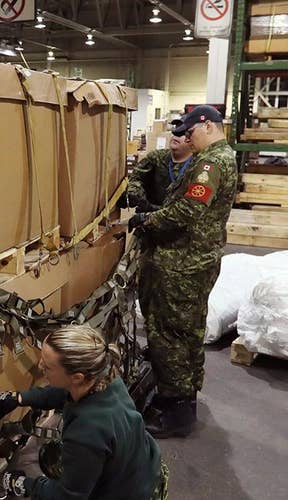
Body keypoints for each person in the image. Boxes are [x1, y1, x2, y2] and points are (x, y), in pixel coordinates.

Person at [128, 105, 237, 438]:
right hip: (196, 259)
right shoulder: (225, 157)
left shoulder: (210, 163)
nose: (187, 138)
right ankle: (183, 398)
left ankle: (174, 410)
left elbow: (187, 211)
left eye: (191, 132)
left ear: (207, 126)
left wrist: (147, 220)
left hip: (180, 262)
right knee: (188, 332)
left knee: (168, 334)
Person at [0, 325, 166, 500]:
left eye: (48, 367)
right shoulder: (104, 377)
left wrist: (24, 484)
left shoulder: (87, 432)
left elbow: (67, 496)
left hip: (128, 493)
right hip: (144, 469)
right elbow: (63, 391)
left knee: (43, 462)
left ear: (77, 377)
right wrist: (20, 398)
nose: (40, 366)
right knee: (55, 457)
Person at [120, 134, 193, 212]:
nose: (176, 136)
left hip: (176, 219)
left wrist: (152, 209)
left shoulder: (197, 166)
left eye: (183, 133)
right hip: (148, 218)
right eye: (176, 131)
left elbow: (189, 210)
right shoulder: (157, 157)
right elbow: (136, 177)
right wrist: (134, 193)